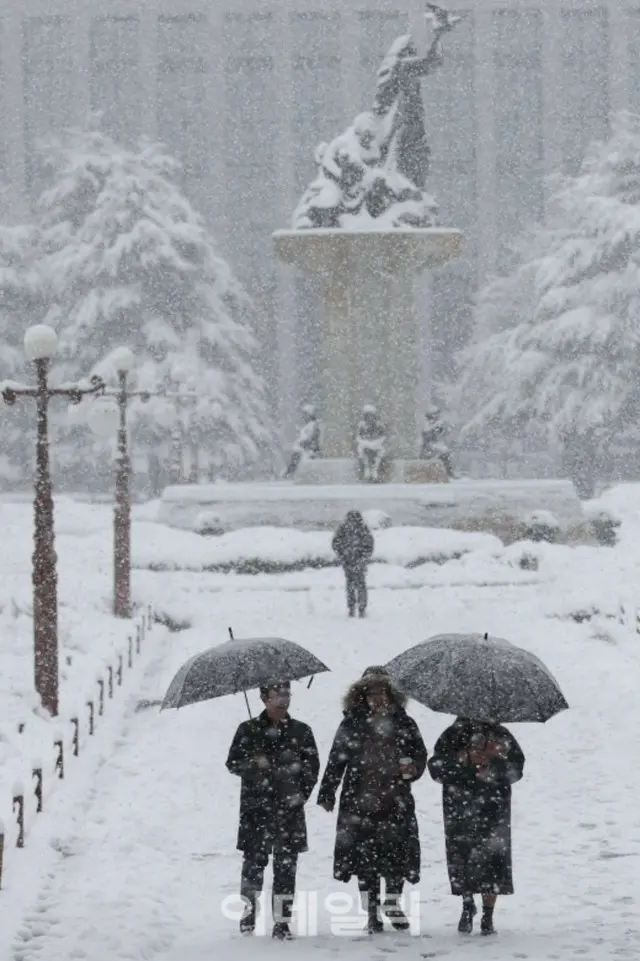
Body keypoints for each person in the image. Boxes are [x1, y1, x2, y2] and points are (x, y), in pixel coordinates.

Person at [317, 667, 427, 934]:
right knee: (364, 861)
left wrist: (413, 768)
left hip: (394, 801)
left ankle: (392, 902)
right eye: (372, 693)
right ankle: (372, 913)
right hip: (360, 802)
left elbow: (420, 754)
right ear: (362, 696)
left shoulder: (404, 723)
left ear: (392, 695)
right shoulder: (352, 724)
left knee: (396, 855)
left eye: (382, 692)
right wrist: (327, 791)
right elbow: (336, 759)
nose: (378, 698)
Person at [226, 681, 320, 940]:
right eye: (277, 695)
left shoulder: (301, 731)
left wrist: (299, 795)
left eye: (287, 693)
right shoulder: (248, 730)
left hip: (289, 810)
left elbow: (312, 767)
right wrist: (254, 763)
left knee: (286, 868)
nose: (283, 699)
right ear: (264, 698)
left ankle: (282, 922)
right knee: (253, 866)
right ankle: (248, 917)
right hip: (256, 810)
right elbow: (232, 763)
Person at [427, 717, 525, 936]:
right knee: (463, 856)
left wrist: (494, 762)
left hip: (494, 806)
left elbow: (516, 769)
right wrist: (463, 759)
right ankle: (467, 903)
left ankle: (488, 915)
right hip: (459, 805)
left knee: (494, 860)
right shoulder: (452, 734)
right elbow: (436, 767)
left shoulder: (501, 735)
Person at [331, 511, 374, 617]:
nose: (352, 521)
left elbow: (369, 546)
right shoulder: (355, 529)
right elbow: (335, 543)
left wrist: (362, 558)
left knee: (357, 585)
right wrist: (342, 556)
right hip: (349, 561)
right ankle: (355, 608)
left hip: (354, 561)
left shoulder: (359, 529)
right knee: (354, 585)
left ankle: (359, 608)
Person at [283, 404, 322, 479]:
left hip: (308, 451)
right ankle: (289, 473)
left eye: (305, 414)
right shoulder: (309, 425)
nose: (303, 417)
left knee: (296, 456)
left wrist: (301, 444)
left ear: (309, 414)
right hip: (305, 450)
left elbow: (309, 439)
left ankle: (289, 474)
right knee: (294, 456)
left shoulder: (312, 425)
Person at [356, 404, 387, 482]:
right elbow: (358, 437)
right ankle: (367, 469)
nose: (369, 418)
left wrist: (376, 443)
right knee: (362, 450)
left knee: (381, 451)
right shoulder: (361, 425)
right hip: (365, 444)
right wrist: (365, 443)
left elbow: (383, 437)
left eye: (371, 415)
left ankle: (375, 469)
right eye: (367, 415)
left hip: (377, 444)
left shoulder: (379, 425)